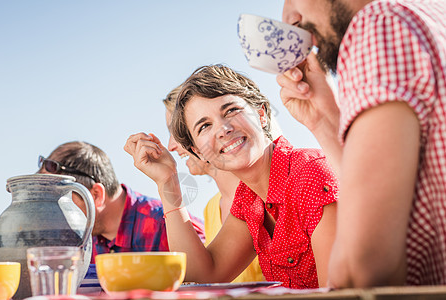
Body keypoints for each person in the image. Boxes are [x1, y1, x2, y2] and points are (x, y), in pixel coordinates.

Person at [277, 0, 446, 288]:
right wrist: (325, 121)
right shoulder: (433, 15)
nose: (289, 19)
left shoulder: (380, 23)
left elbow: (363, 268)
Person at [124, 65, 338, 288]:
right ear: (197, 151)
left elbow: (336, 293)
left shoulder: (310, 172)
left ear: (261, 114)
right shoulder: (249, 199)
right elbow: (205, 271)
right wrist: (167, 181)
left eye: (230, 111)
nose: (223, 129)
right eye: (204, 126)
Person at [38, 141, 205, 262]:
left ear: (96, 194)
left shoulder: (165, 225)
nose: (54, 213)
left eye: (61, 200)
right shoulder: (76, 240)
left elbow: (207, 273)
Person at [163, 86, 265, 282]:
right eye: (204, 125)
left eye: (175, 131)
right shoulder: (212, 208)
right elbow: (202, 278)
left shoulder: (262, 193)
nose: (171, 146)